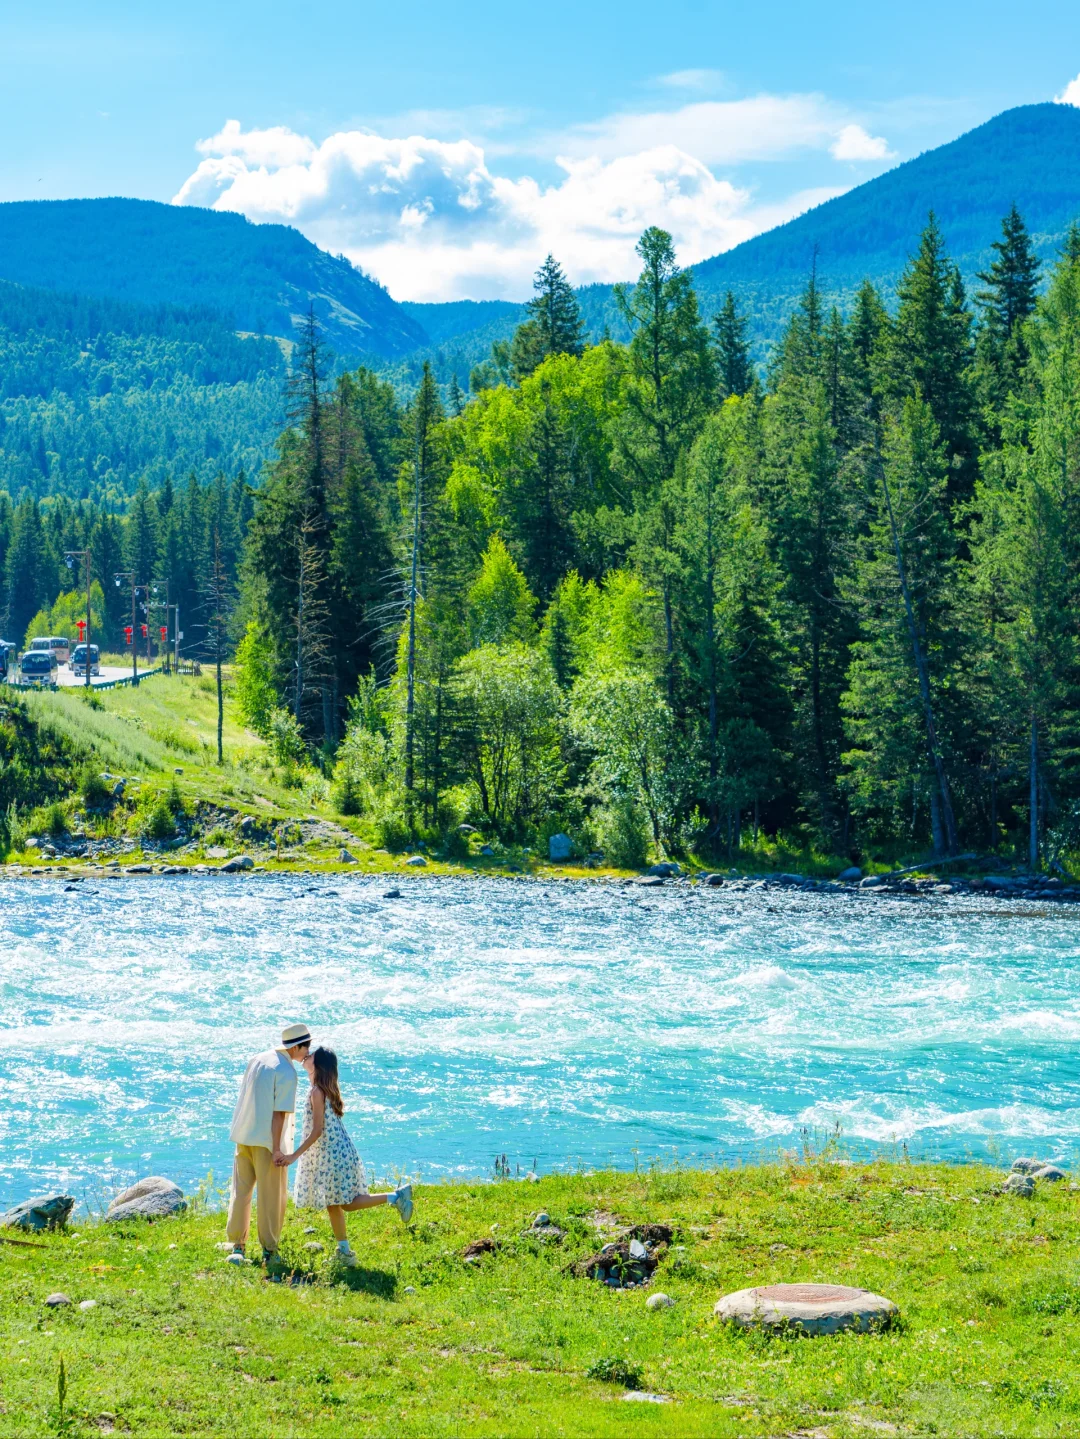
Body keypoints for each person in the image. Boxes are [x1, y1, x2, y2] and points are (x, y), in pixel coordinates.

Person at [276, 1045, 413, 1266]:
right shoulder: (322, 1090)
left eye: (310, 1056)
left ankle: (347, 1250)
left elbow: (317, 1130)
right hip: (339, 1152)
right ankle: (347, 1249)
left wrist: (294, 1155)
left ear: (317, 1065)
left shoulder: (317, 1092)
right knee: (340, 1204)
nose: (306, 1057)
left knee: (340, 1203)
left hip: (332, 1155)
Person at [225, 1023, 311, 1269]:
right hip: (266, 1141)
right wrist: (277, 1149)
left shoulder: (258, 1059)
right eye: (306, 1048)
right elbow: (279, 1114)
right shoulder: (287, 1071)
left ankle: (238, 1246)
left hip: (244, 1135)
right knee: (271, 1196)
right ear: (297, 1047)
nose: (307, 1053)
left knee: (241, 1192)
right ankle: (270, 1251)